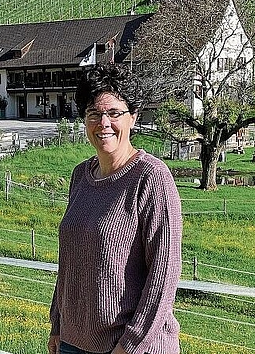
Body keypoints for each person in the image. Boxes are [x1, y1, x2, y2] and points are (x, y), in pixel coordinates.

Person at [48, 63, 182, 354]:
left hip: (130, 347)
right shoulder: (80, 176)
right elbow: (70, 262)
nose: (103, 123)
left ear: (132, 117)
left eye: (114, 113)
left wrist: (130, 346)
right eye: (94, 114)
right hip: (73, 343)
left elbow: (164, 274)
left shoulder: (151, 177)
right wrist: (57, 325)